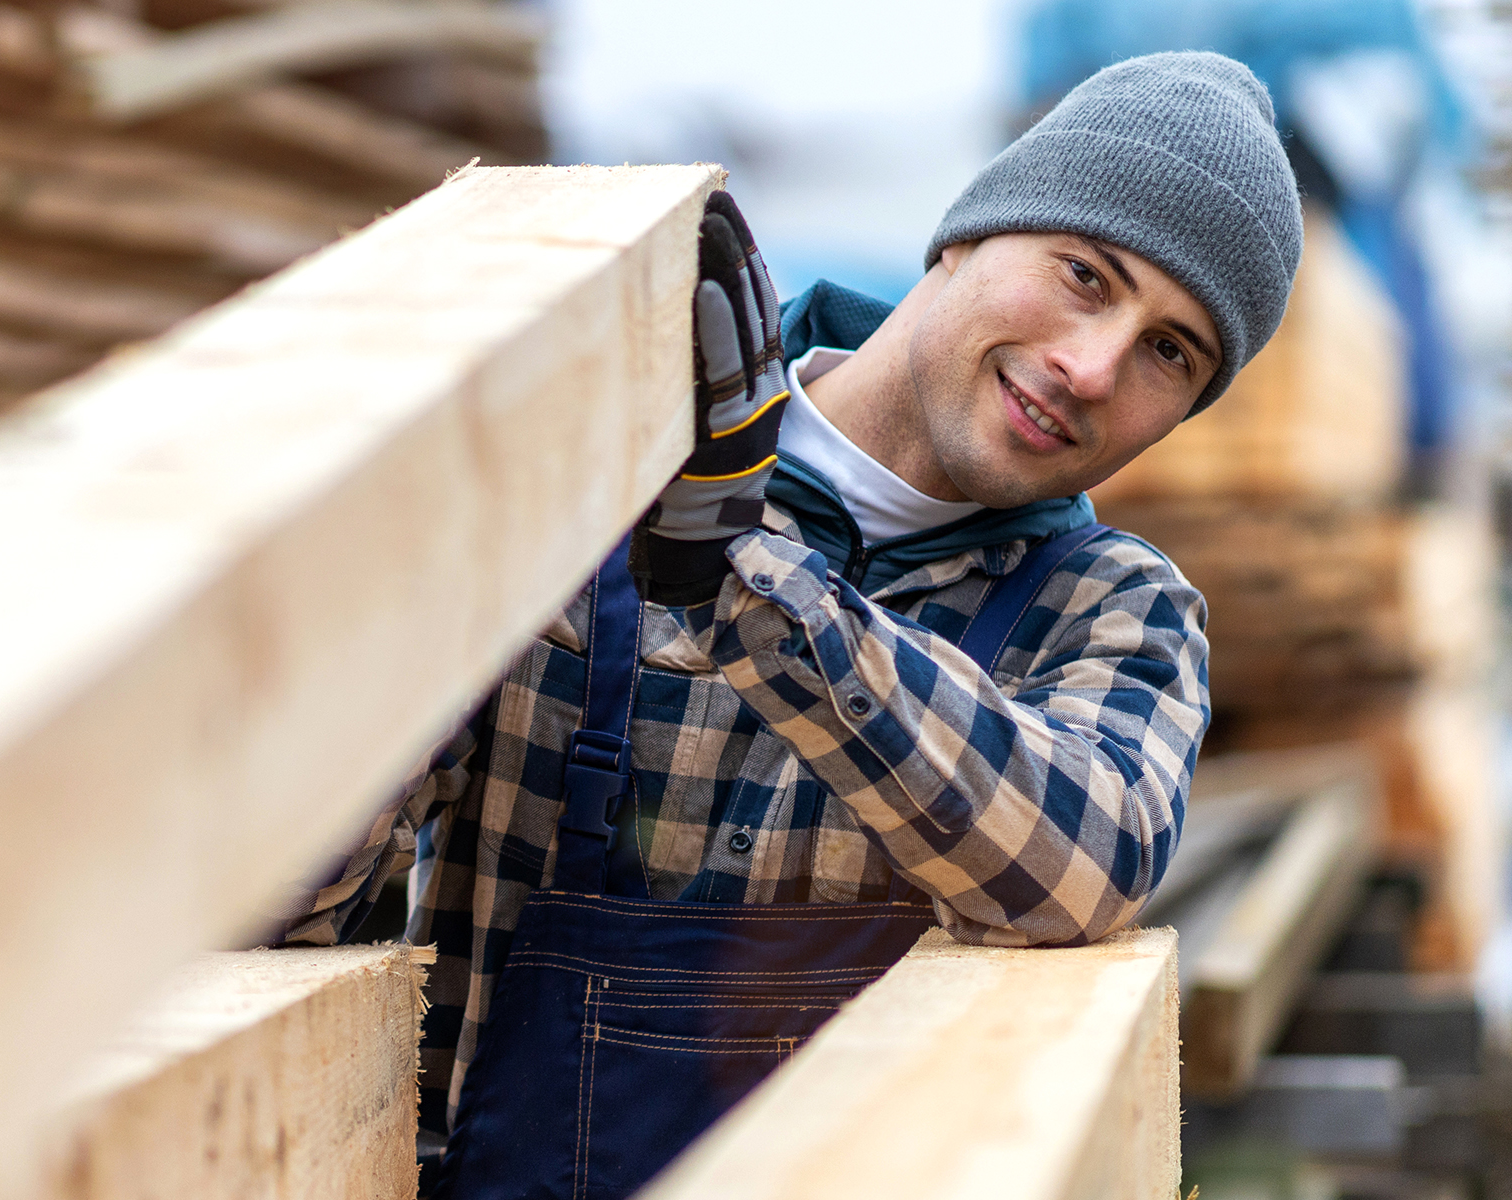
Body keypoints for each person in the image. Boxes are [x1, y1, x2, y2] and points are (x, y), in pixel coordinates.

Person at [283, 51, 1304, 1200]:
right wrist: (402, 559)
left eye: (1172, 352)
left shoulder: (1112, 609)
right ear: (964, 236)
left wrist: (737, 566)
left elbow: (1085, 864)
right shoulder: (594, 488)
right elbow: (283, 909)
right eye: (1084, 276)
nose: (1091, 366)